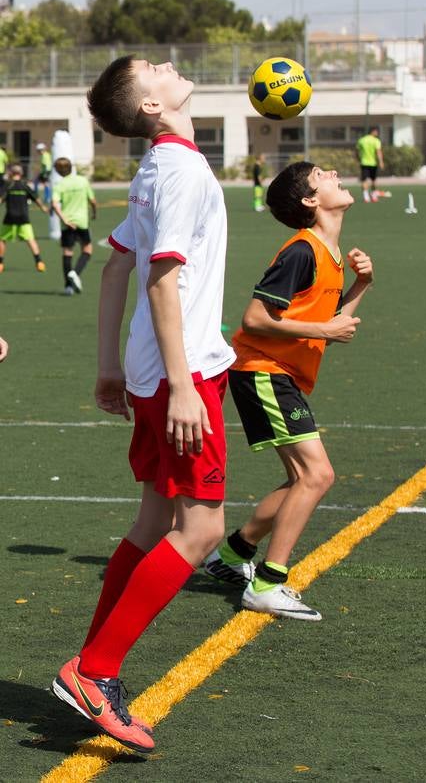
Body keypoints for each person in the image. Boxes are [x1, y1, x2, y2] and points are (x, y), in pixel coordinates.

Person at [50, 56, 235, 753]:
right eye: (152, 67)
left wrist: (109, 366)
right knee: (202, 528)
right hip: (179, 371)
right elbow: (159, 282)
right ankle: (95, 671)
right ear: (153, 106)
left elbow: (115, 264)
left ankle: (90, 666)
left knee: (156, 516)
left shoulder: (159, 167)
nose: (167, 62)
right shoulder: (179, 172)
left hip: (153, 366)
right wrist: (185, 384)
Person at [205, 161, 374, 620]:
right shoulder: (301, 251)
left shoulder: (329, 253)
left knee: (303, 477)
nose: (334, 172)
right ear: (309, 200)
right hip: (262, 369)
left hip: (279, 372)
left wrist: (361, 284)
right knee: (316, 475)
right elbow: (255, 319)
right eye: (322, 174)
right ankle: (267, 583)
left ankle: (236, 553)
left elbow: (332, 323)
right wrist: (325, 327)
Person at [51, 158, 97, 295]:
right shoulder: (82, 181)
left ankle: (68, 287)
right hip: (82, 221)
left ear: (58, 171)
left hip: (68, 223)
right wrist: (95, 213)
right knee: (87, 249)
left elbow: (54, 204)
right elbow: (93, 200)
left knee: (67, 252)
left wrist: (64, 219)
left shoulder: (60, 185)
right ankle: (75, 273)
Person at [0, 164, 47, 273]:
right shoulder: (25, 186)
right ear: (21, 174)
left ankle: (0, 263)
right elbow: (36, 198)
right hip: (24, 218)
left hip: (10, 217)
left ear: (11, 174)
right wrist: (44, 208)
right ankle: (39, 262)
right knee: (30, 240)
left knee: (2, 240)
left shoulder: (8, 186)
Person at [356, 126, 384, 202]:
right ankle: (374, 196)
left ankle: (366, 197)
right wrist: (381, 162)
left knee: (364, 180)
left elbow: (357, 151)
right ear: (373, 131)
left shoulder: (361, 140)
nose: (377, 133)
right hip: (373, 163)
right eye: (376, 131)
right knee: (374, 180)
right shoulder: (376, 141)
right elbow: (378, 152)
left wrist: (358, 159)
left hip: (364, 163)